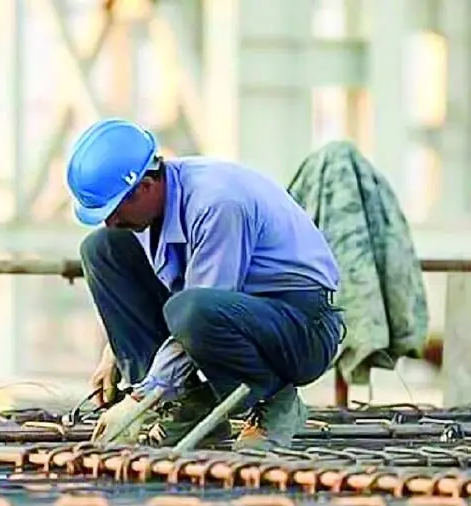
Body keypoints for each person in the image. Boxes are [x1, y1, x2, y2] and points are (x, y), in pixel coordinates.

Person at [68, 118, 345, 451]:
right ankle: (185, 407)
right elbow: (172, 288)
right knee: (102, 248)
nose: (110, 219)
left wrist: (141, 398)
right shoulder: (154, 206)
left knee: (189, 311)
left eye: (114, 208)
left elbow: (199, 305)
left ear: (145, 186)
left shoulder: (217, 203)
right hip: (234, 312)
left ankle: (275, 400)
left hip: (299, 326)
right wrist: (113, 354)